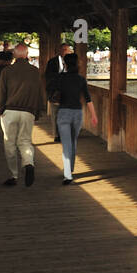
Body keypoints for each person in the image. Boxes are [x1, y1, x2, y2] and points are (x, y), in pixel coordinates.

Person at [0, 43, 43, 187]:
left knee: (10, 143)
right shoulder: (35, 71)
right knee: (25, 141)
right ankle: (28, 163)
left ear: (15, 55)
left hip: (10, 111)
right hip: (28, 111)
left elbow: (1, 92)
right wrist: (37, 112)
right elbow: (39, 93)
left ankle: (14, 175)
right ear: (27, 55)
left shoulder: (7, 71)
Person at [53, 54, 97, 185]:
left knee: (66, 144)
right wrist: (94, 115)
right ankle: (70, 168)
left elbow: (54, 95)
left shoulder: (60, 78)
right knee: (73, 142)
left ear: (65, 64)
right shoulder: (81, 79)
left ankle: (68, 174)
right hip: (77, 113)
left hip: (63, 113)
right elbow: (88, 99)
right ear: (77, 64)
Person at [44, 42, 72, 142]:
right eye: (64, 50)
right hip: (55, 92)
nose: (66, 52)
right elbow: (48, 77)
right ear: (59, 51)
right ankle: (57, 135)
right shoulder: (52, 62)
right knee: (56, 114)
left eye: (68, 50)